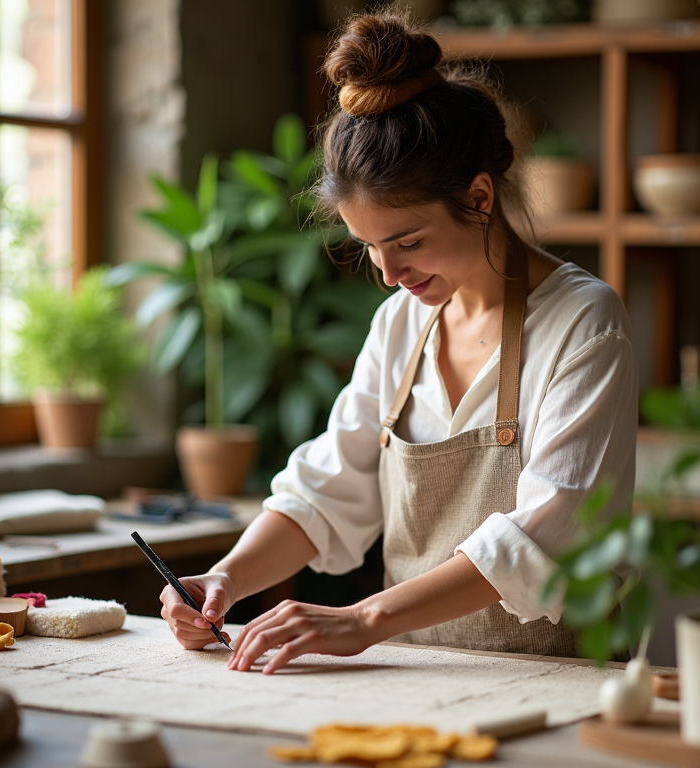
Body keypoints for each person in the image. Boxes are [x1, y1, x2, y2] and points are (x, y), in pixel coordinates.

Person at [161, 10, 638, 674]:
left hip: (557, 683)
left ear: (478, 196)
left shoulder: (582, 322)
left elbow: (548, 533)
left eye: (407, 242)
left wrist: (364, 618)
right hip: (419, 676)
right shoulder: (402, 325)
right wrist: (227, 577)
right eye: (369, 249)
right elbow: (333, 486)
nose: (388, 275)